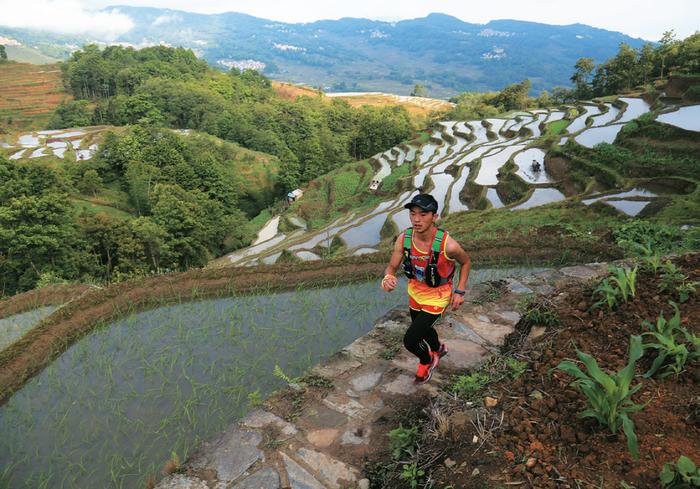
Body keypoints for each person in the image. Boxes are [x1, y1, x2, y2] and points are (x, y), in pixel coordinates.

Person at [381, 193, 471, 384]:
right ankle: (439, 348)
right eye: (413, 214)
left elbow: (466, 262)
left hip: (438, 297)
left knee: (411, 340)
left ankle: (428, 359)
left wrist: (460, 291)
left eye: (423, 214)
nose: (416, 219)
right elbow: (392, 267)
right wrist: (387, 278)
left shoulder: (449, 245)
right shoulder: (404, 239)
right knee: (423, 328)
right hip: (415, 293)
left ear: (434, 217)